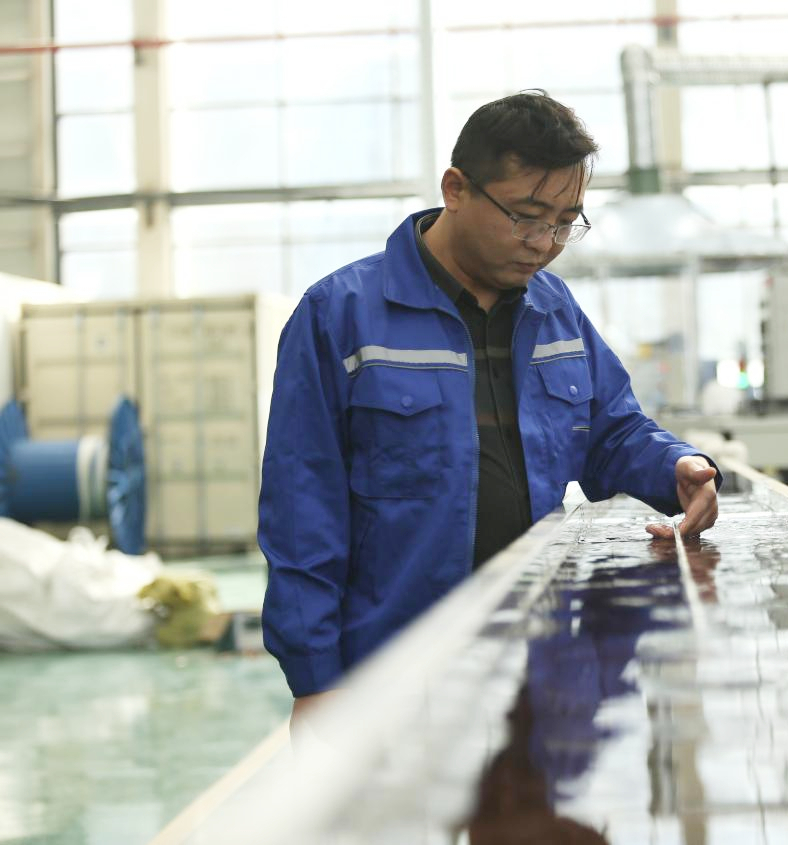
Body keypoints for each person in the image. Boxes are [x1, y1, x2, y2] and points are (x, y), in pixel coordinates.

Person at [259, 90, 721, 722]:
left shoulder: (554, 308)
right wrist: (315, 681)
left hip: (536, 658)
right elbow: (301, 509)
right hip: (393, 675)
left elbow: (610, 430)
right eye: (526, 217)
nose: (545, 243)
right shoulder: (339, 316)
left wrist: (675, 466)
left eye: (565, 222)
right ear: (456, 189)